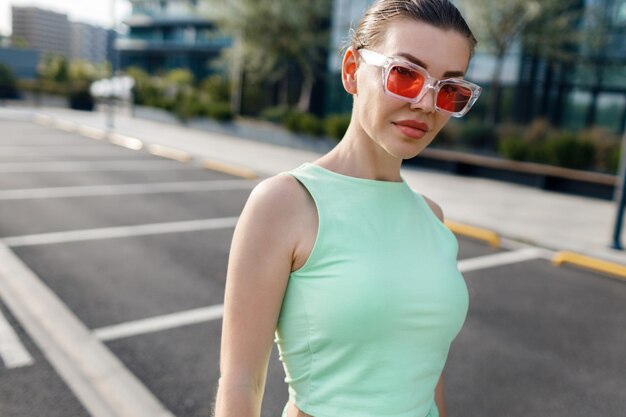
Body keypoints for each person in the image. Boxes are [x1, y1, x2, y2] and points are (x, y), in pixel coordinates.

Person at [214, 0, 482, 416]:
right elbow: (240, 385)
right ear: (352, 70)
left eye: (449, 89)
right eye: (406, 75)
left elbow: (427, 374)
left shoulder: (432, 217)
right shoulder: (285, 203)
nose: (427, 105)